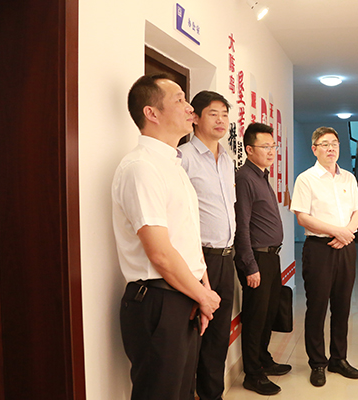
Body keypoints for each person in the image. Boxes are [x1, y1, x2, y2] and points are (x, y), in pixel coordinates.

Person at [112, 74, 221, 400]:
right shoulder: (141, 167)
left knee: (182, 391)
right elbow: (159, 253)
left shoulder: (172, 165)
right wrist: (203, 296)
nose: (190, 108)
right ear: (152, 113)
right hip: (158, 301)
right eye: (179, 100)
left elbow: (186, 238)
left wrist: (203, 289)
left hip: (183, 294)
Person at [290, 127, 358, 387]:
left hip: (346, 247)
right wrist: (337, 231)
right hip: (319, 249)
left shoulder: (348, 178)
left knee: (342, 306)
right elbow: (302, 217)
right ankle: (317, 363)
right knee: (317, 307)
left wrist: (347, 233)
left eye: (334, 143)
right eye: (324, 144)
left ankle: (338, 359)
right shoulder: (306, 179)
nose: (330, 148)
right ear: (314, 149)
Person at [179, 91, 237, 400]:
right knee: (194, 334)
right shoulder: (183, 157)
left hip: (226, 258)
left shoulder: (227, 159)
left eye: (225, 114)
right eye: (213, 114)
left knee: (218, 335)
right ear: (195, 118)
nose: (221, 120)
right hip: (198, 259)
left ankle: (212, 394)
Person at [234, 123, 291, 395]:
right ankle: (252, 374)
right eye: (265, 147)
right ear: (249, 149)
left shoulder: (261, 176)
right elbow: (242, 225)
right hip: (257, 258)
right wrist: (250, 266)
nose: (271, 151)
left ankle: (263, 358)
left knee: (268, 313)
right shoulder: (245, 177)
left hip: (270, 257)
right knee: (255, 317)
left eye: (273, 146)